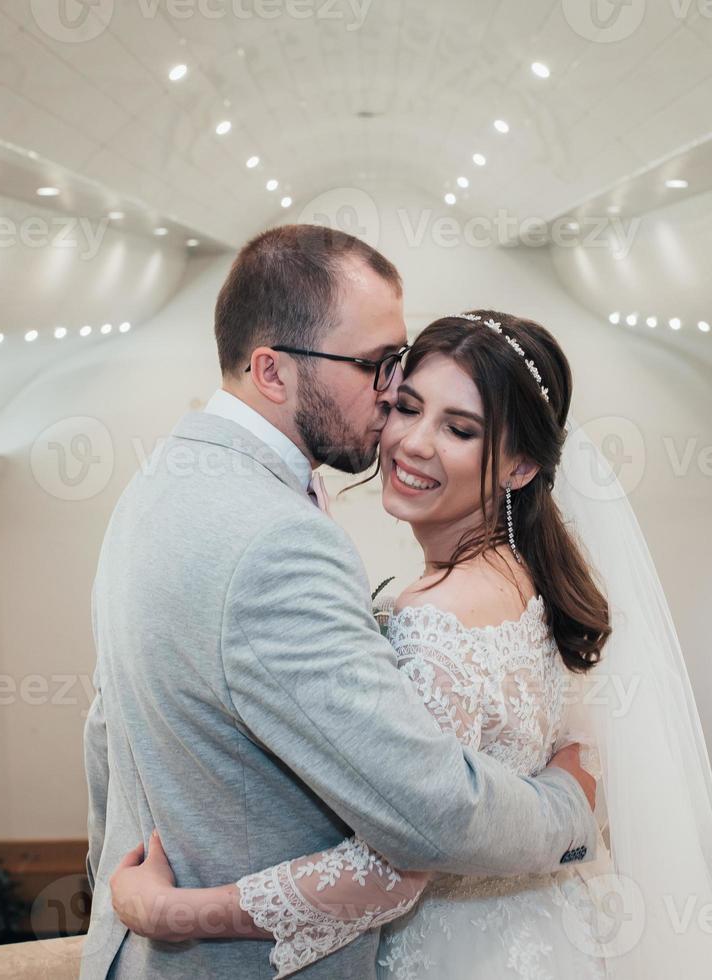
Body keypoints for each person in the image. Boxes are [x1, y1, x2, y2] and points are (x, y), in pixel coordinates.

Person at [108, 310, 712, 978]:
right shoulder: (534, 582)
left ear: (521, 465)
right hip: (551, 938)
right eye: (408, 408)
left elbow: (393, 869)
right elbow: (577, 755)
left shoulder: (434, 619)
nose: (414, 443)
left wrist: (175, 913)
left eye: (460, 429)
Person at [80, 229, 600, 980]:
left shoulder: (156, 484)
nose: (391, 395)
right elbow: (430, 813)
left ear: (518, 465)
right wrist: (569, 809)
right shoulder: (276, 540)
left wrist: (124, 906)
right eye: (378, 368)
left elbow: (105, 734)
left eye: (455, 425)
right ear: (272, 371)